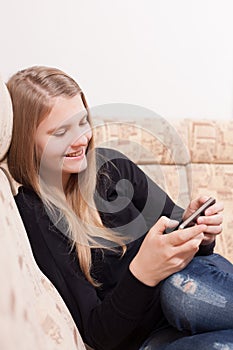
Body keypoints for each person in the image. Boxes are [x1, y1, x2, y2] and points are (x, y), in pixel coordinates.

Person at [6, 66, 233, 350]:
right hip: (151, 338)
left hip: (194, 286)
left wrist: (200, 230)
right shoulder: (33, 213)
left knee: (180, 292)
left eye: (82, 122)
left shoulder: (113, 167)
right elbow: (98, 336)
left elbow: (186, 239)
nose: (80, 140)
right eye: (60, 132)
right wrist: (143, 272)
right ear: (28, 143)